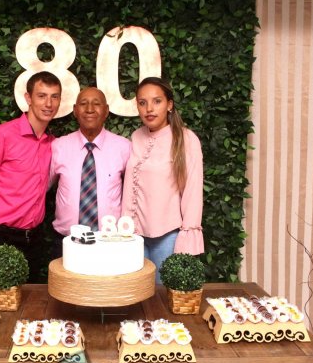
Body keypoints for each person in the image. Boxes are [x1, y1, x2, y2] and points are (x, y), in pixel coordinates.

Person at [0, 71, 62, 282]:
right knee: (0, 299)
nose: (48, 103)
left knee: (31, 299)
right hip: (0, 236)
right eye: (42, 96)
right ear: (28, 98)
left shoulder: (53, 144)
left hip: (34, 238)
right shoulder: (3, 135)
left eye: (54, 97)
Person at [122, 77, 205, 282]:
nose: (149, 108)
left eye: (157, 101)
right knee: (135, 295)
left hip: (167, 237)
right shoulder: (136, 137)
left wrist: (186, 240)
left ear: (169, 105)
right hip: (133, 236)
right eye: (142, 103)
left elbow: (192, 193)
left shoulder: (186, 139)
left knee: (162, 296)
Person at [49, 87, 130, 257]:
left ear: (106, 111)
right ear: (75, 110)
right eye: (83, 103)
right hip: (66, 240)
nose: (90, 109)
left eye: (96, 104)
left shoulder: (124, 147)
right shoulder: (58, 147)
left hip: (110, 241)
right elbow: (40, 187)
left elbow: (134, 192)